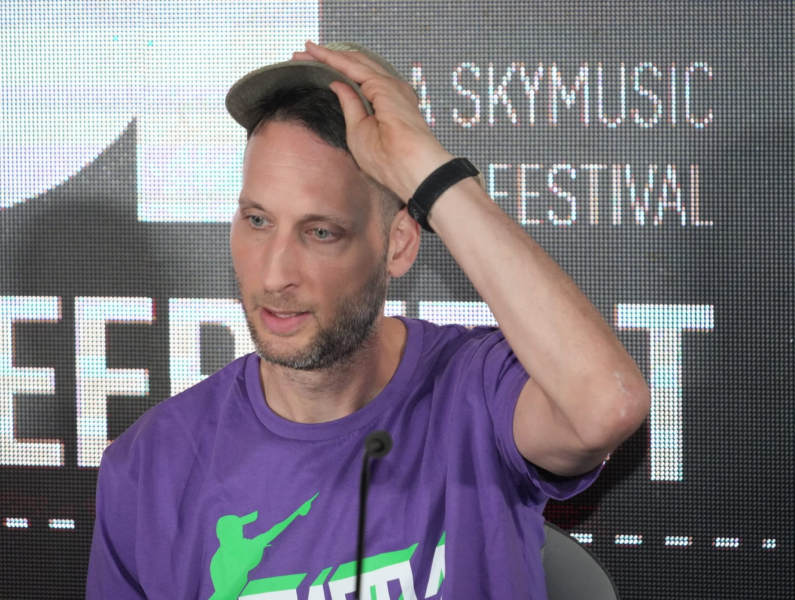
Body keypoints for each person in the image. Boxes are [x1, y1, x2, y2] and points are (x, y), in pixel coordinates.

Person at [86, 41, 650, 599]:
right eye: (258, 221)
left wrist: (427, 171)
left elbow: (608, 405)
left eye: (320, 232)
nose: (275, 274)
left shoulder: (478, 391)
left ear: (398, 243)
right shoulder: (150, 469)